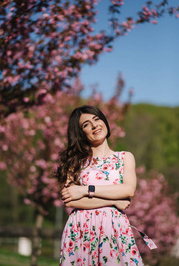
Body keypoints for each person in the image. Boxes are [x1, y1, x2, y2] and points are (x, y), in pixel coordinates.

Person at [56, 105, 144, 266]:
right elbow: (70, 200)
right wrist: (113, 201)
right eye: (86, 124)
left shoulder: (124, 157)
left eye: (97, 119)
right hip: (81, 230)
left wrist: (84, 190)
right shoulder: (75, 162)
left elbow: (128, 190)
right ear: (80, 133)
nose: (95, 125)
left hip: (114, 229)